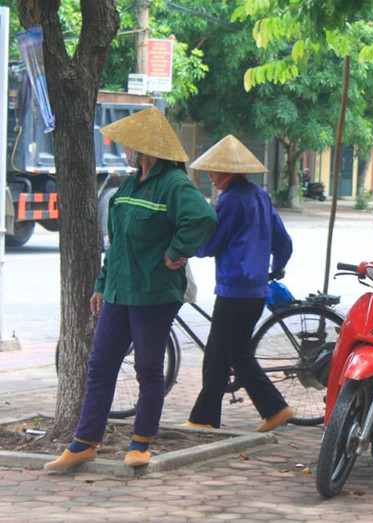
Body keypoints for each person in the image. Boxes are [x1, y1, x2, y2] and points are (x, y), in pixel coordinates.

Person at [44, 107, 217, 471]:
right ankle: (85, 441)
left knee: (147, 366)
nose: (125, 151)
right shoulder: (128, 185)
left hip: (155, 293)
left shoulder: (174, 183)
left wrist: (176, 252)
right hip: (118, 292)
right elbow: (118, 243)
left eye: (129, 146)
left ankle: (142, 441)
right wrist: (101, 285)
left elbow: (202, 218)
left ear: (146, 149)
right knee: (100, 363)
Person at [183, 135, 294, 432]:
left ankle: (203, 419)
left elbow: (209, 245)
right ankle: (275, 408)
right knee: (238, 353)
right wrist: (278, 266)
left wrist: (185, 246)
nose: (210, 176)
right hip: (257, 290)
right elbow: (284, 242)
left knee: (218, 354)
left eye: (214, 171)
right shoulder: (260, 195)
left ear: (227, 171)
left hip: (234, 289)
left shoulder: (230, 201)